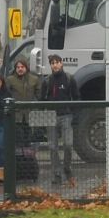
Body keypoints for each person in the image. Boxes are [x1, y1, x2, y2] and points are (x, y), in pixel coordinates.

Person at [40, 54, 78, 183]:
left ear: (61, 63)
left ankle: (67, 168)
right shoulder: (46, 81)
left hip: (66, 115)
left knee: (68, 144)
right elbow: (41, 100)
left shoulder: (69, 79)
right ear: (50, 65)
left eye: (57, 62)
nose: (55, 65)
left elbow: (77, 98)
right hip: (51, 115)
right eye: (52, 63)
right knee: (52, 147)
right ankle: (57, 174)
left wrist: (74, 115)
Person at [6, 55, 40, 131]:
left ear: (26, 67)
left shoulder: (34, 79)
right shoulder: (10, 80)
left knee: (29, 138)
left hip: (30, 114)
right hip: (16, 115)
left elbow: (39, 96)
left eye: (22, 67)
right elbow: (6, 95)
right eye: (18, 67)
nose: (20, 69)